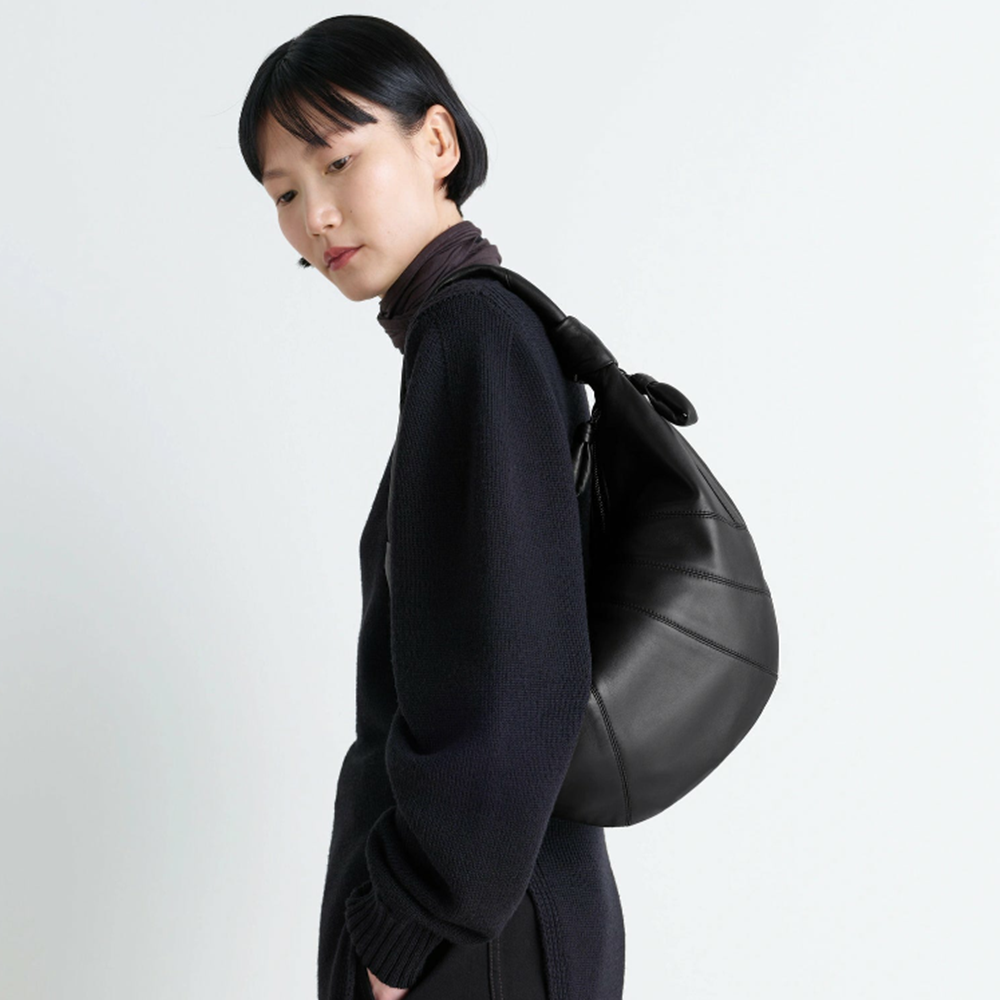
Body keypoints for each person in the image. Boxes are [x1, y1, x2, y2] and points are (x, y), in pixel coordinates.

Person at [238, 15, 626, 1000]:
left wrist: (401, 930)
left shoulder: (473, 333)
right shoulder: (484, 327)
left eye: (338, 161)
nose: (317, 215)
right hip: (496, 914)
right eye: (285, 192)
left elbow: (518, 674)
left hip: (472, 936)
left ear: (438, 141)